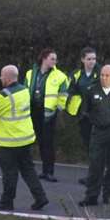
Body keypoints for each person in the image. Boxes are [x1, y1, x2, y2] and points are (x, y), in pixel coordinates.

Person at [0, 64, 49, 213]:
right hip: (25, 138)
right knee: (28, 170)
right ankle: (40, 197)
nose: (0, 78)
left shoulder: (4, 95)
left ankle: (7, 202)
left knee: (9, 173)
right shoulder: (24, 90)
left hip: (10, 141)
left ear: (7, 78)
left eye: (1, 75)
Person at [80, 62, 110, 206]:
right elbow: (86, 110)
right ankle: (91, 195)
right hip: (98, 133)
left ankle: (109, 194)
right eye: (102, 75)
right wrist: (97, 121)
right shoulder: (91, 90)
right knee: (95, 164)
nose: (104, 78)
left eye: (107, 75)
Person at [22, 47, 71, 182]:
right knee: (35, 141)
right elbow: (24, 90)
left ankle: (49, 171)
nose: (55, 61)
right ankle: (36, 169)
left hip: (49, 113)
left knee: (48, 143)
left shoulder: (60, 76)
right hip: (33, 110)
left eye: (55, 59)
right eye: (52, 59)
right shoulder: (30, 73)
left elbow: (63, 94)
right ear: (44, 58)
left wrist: (59, 109)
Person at [64, 46, 100, 171]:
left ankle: (97, 173)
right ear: (83, 60)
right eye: (89, 59)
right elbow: (70, 90)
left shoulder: (100, 73)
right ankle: (92, 173)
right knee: (88, 144)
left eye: (94, 59)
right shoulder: (77, 74)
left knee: (97, 145)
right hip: (83, 115)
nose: (92, 62)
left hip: (98, 115)